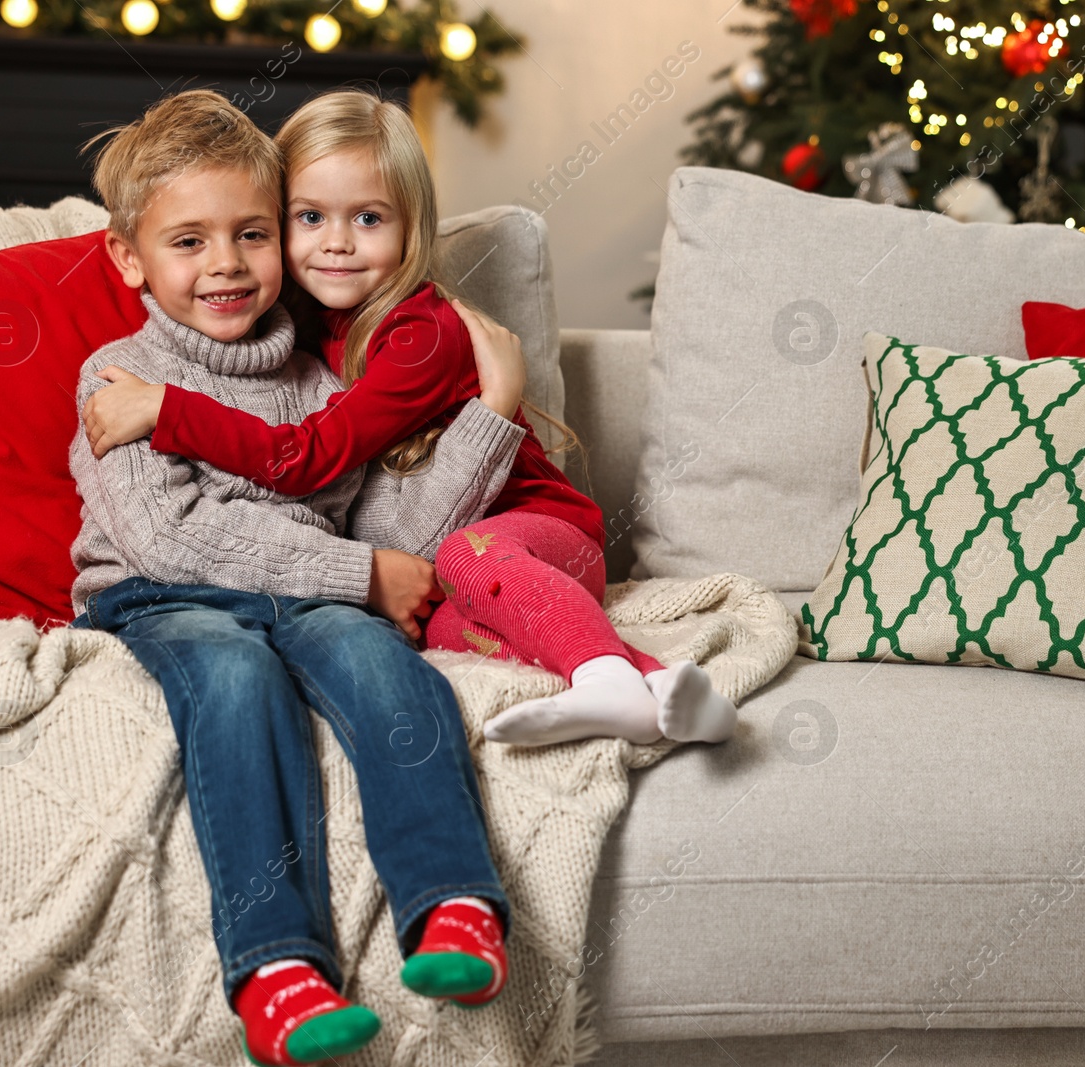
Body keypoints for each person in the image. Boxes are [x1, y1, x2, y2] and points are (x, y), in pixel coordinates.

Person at [68, 90, 529, 1067]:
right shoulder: (119, 374)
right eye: (187, 241)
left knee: (384, 665)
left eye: (249, 234)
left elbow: (392, 534)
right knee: (235, 678)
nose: (226, 264)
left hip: (313, 595)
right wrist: (358, 570)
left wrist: (491, 411)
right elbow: (171, 539)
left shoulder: (321, 382)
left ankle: (451, 907)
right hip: (168, 598)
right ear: (128, 257)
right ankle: (277, 969)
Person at [81, 90, 739, 748]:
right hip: (472, 572)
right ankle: (659, 691)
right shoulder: (303, 334)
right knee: (446, 629)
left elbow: (303, 458)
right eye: (309, 216)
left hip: (542, 534)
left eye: (368, 218)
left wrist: (169, 409)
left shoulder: (419, 334)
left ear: (410, 230)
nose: (336, 243)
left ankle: (605, 680)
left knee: (464, 553)